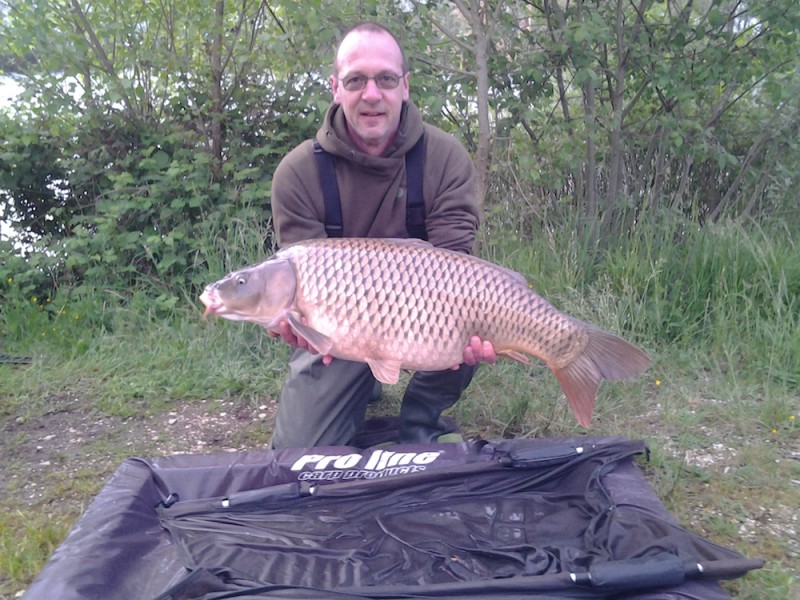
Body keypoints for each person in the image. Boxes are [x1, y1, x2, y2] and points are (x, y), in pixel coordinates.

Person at [269, 21, 496, 449]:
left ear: (405, 87)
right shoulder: (298, 174)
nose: (371, 94)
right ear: (336, 88)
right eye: (356, 80)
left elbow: (456, 268)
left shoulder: (445, 157)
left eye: (386, 80)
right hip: (337, 332)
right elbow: (296, 288)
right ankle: (360, 384)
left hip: (430, 318)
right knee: (298, 455)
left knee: (472, 318)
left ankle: (422, 420)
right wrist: (292, 321)